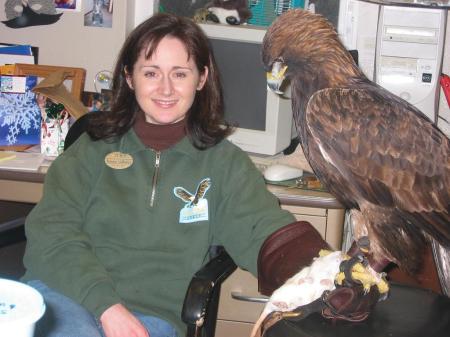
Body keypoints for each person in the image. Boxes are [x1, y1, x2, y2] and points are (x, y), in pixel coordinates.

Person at [22, 12, 377, 337]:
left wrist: (331, 276)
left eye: (180, 74)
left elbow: (264, 231)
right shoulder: (91, 150)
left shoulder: (224, 165)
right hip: (65, 297)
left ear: (202, 78)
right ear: (129, 78)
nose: (165, 89)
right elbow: (52, 236)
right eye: (151, 73)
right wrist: (106, 307)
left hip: (150, 317)